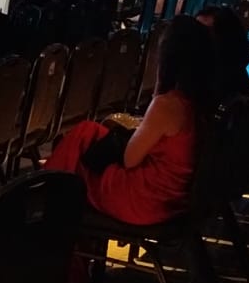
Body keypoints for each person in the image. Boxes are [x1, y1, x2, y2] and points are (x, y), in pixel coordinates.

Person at [45, 16, 212, 225]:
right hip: (171, 198)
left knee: (76, 157)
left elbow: (130, 159)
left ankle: (43, 206)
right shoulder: (199, 101)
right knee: (86, 131)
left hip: (144, 199)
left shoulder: (167, 104)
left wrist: (158, 89)